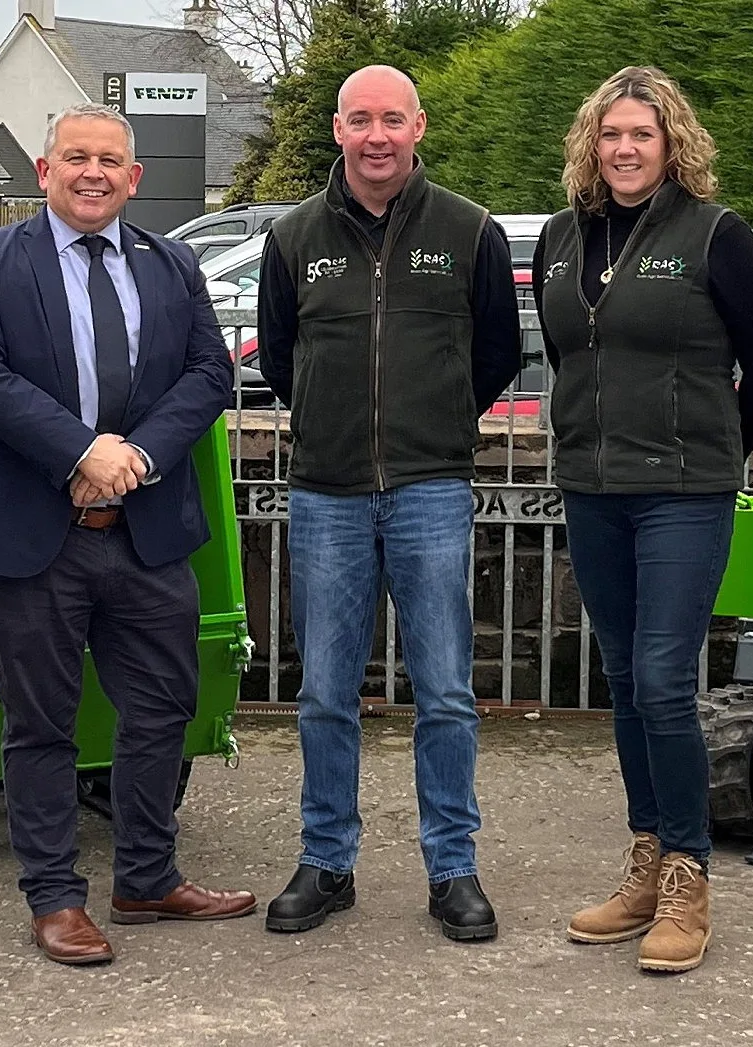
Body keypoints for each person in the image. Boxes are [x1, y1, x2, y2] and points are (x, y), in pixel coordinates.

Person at [0, 103, 247, 966]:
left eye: (110, 160)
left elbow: (211, 372)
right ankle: (54, 896)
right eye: (76, 157)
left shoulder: (171, 263)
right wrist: (80, 451)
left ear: (133, 178)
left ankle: (146, 875)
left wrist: (135, 454)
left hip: (144, 528)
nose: (92, 172)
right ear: (45, 169)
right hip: (35, 531)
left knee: (162, 706)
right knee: (41, 722)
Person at [531, 66, 753, 974]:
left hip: (684, 489)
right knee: (619, 671)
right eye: (610, 135)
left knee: (660, 674)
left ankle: (689, 873)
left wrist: (717, 446)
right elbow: (565, 349)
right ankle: (645, 859)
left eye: (641, 133)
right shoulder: (563, 240)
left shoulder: (716, 236)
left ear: (671, 140)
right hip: (592, 485)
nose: (624, 149)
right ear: (590, 144)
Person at [255, 64, 521, 941]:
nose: (377, 135)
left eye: (393, 120)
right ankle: (326, 860)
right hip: (326, 493)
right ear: (337, 128)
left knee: (445, 690)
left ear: (419, 127)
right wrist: (339, 426)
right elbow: (282, 357)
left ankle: (454, 867)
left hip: (431, 489)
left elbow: (495, 353)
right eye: (361, 119)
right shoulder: (293, 237)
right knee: (326, 691)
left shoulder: (470, 230)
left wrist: (434, 423)